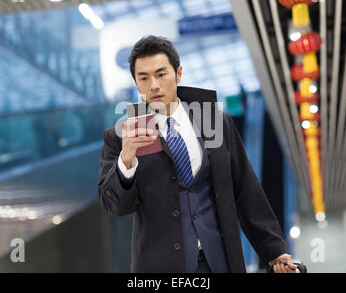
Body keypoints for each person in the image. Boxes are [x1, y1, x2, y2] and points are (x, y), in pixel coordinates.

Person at [98, 35, 297, 273]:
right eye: (144, 78)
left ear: (178, 74)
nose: (153, 85)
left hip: (220, 261)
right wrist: (126, 159)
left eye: (161, 74)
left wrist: (274, 250)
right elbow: (114, 206)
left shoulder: (215, 122)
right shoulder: (122, 136)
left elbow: (245, 189)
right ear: (136, 82)